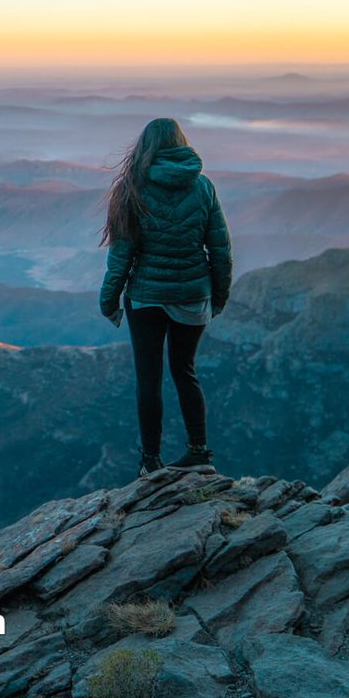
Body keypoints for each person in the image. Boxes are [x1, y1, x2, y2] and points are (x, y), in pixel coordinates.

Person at [99, 117, 232, 477]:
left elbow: (121, 255)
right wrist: (218, 296)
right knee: (185, 371)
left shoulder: (132, 189)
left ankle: (151, 462)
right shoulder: (203, 187)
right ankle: (200, 452)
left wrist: (109, 300)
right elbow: (219, 248)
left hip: (146, 297)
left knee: (149, 378)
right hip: (193, 293)